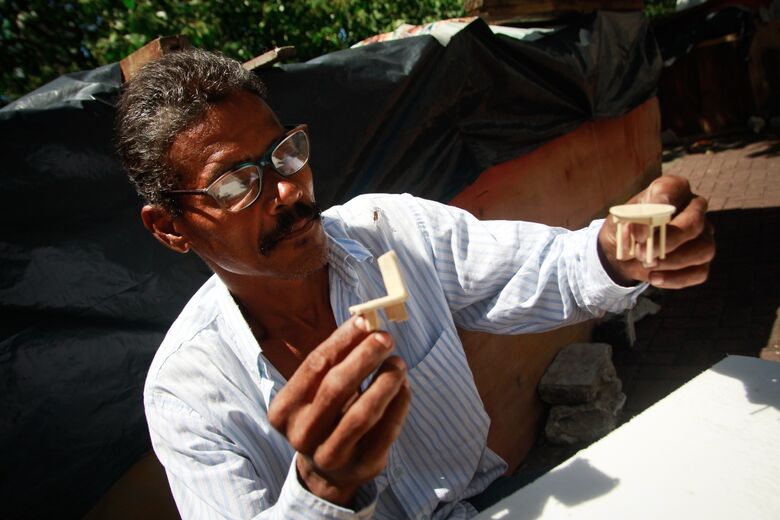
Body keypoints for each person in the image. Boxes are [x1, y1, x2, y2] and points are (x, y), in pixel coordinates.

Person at [116, 48, 714, 520]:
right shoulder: (188, 393)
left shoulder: (391, 231)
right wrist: (323, 491)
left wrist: (617, 253)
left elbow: (548, 269)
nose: (289, 191)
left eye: (285, 152)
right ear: (170, 228)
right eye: (232, 184)